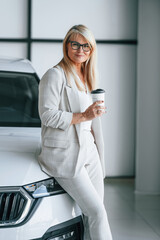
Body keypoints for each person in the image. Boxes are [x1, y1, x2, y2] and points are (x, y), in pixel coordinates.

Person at [38, 24, 113, 240]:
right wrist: (84, 116)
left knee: (95, 213)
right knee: (96, 212)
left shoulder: (88, 77)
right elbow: (48, 115)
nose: (80, 50)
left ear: (91, 50)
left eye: (86, 46)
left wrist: (100, 157)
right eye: (75, 44)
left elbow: (93, 124)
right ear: (66, 45)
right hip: (66, 154)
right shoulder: (55, 75)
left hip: (89, 152)